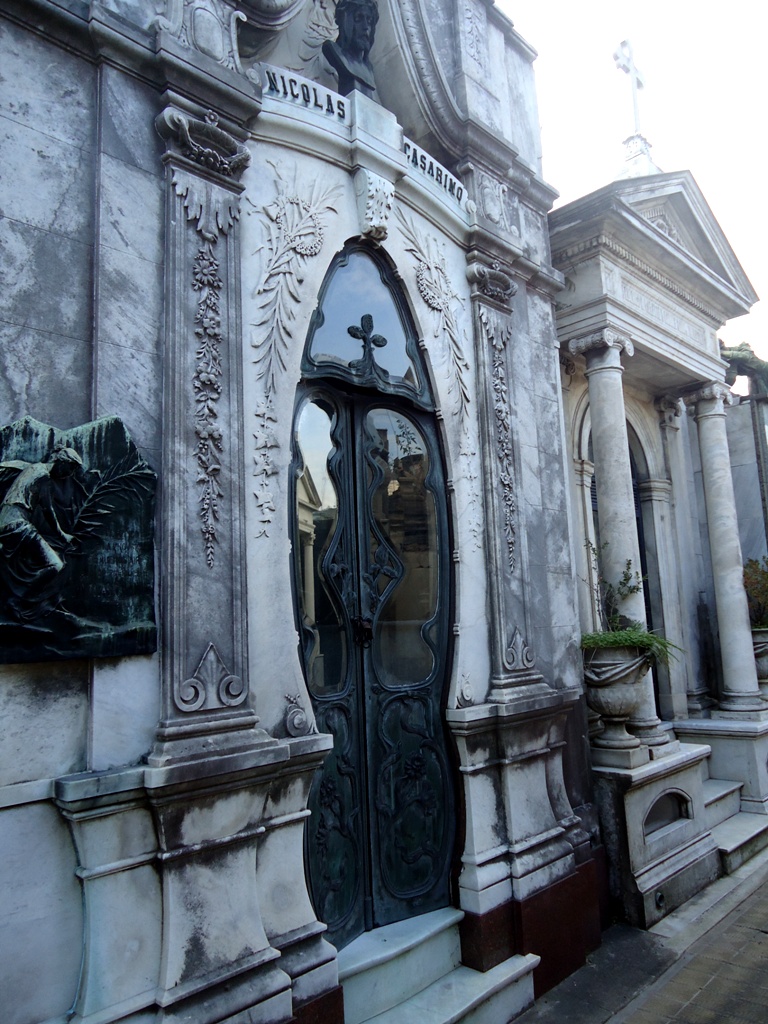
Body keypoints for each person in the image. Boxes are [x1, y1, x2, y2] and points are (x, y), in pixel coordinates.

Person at [0, 446, 83, 619]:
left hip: (7, 521)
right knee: (55, 565)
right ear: (61, 462)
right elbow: (47, 510)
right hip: (17, 524)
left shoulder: (32, 467)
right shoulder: (43, 476)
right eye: (71, 468)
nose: (70, 474)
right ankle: (17, 601)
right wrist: (62, 535)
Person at [322, 0, 379, 99]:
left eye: (369, 21)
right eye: (358, 19)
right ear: (345, 21)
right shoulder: (334, 51)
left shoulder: (369, 69)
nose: (366, 27)